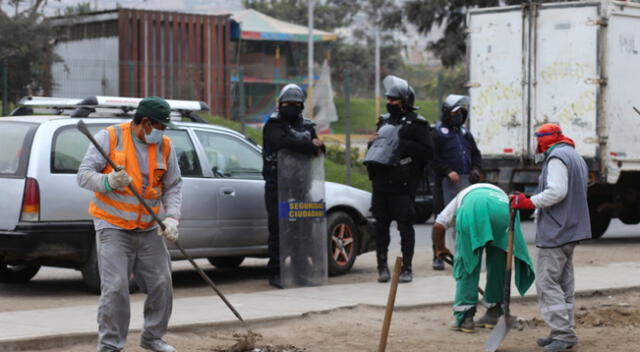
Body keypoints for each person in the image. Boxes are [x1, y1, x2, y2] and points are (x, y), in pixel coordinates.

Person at [77, 96, 182, 352]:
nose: (163, 133)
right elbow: (83, 175)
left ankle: (153, 337)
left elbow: (174, 185)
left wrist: (171, 218)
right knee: (115, 289)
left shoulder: (165, 147)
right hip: (112, 226)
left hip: (149, 227)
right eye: (160, 127)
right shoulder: (110, 137)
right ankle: (111, 345)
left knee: (161, 283)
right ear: (145, 122)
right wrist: (109, 181)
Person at [510, 123, 591, 352]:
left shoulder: (556, 158)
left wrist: (529, 202)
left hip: (556, 230)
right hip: (572, 228)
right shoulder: (574, 155)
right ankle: (564, 330)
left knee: (547, 283)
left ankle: (562, 334)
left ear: (543, 140)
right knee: (564, 284)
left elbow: (557, 191)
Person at [432, 183, 535, 333]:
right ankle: (494, 312)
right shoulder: (499, 193)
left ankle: (465, 318)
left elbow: (438, 226)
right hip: (504, 211)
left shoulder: (462, 197)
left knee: (467, 263)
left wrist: (440, 248)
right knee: (499, 264)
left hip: (474, 209)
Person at [364, 75, 433, 283]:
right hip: (381, 183)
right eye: (389, 99)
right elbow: (378, 148)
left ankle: (406, 268)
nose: (390, 103)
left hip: (403, 184)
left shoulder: (417, 124)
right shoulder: (384, 121)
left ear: (404, 102)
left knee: (405, 227)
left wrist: (405, 143)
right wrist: (371, 143)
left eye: (394, 100)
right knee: (381, 227)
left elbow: (428, 152)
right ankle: (382, 267)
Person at [262, 84, 325, 289]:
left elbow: (319, 146)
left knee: (302, 232)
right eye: (287, 104)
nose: (291, 107)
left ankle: (301, 272)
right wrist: (309, 146)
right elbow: (282, 142)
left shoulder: (307, 125)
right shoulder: (273, 124)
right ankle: (276, 273)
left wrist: (318, 146)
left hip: (301, 186)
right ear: (280, 105)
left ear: (302, 106)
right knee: (278, 231)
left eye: (296, 105)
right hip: (277, 186)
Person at [430, 94, 482, 271]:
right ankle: (437, 254)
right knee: (441, 219)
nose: (459, 116)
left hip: (464, 182)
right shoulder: (437, 133)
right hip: (443, 182)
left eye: (462, 112)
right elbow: (433, 157)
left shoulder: (465, 133)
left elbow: (476, 154)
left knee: (463, 219)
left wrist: (475, 168)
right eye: (456, 113)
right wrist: (447, 171)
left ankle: (463, 252)